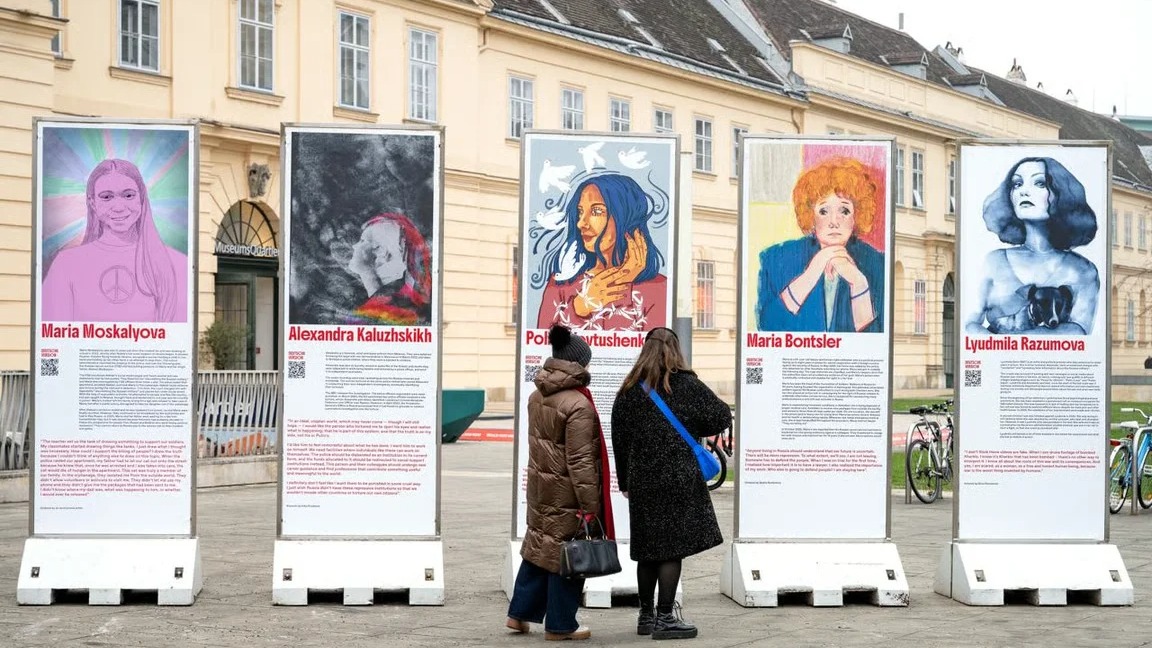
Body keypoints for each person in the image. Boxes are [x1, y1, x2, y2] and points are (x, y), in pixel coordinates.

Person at [610, 327, 730, 640]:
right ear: (674, 351)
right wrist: (694, 424)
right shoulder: (686, 384)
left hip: (643, 482)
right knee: (671, 550)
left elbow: (619, 443)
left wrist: (625, 481)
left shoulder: (628, 391)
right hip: (679, 479)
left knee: (648, 549)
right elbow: (720, 417)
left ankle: (646, 616)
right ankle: (666, 618)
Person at [506, 324, 614, 641]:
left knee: (539, 545)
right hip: (566, 490)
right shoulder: (577, 404)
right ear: (578, 364)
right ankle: (561, 624)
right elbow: (580, 460)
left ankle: (519, 615)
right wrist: (591, 506)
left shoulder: (538, 395)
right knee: (568, 556)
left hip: (542, 486)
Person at [965, 157, 1099, 335]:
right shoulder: (993, 262)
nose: (1023, 191)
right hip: (999, 363)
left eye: (1040, 183)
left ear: (1062, 194)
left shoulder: (1083, 270)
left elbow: (1078, 331)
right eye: (1017, 184)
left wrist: (1008, 342)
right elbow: (969, 324)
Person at [41, 158, 187, 323]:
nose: (118, 207)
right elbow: (54, 336)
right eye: (107, 197)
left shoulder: (177, 264)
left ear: (142, 198)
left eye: (128, 195)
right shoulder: (66, 265)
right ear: (93, 203)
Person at [755, 157, 885, 333]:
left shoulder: (877, 265)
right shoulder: (776, 259)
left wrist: (859, 285)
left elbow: (876, 347)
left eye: (844, 211)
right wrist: (811, 274)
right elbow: (766, 327)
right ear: (810, 215)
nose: (834, 222)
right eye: (824, 211)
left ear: (857, 215)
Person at [535, 172, 667, 331]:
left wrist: (623, 284)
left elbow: (656, 352)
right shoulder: (560, 284)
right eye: (580, 212)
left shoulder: (658, 288)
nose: (581, 223)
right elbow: (542, 347)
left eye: (597, 212)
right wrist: (579, 307)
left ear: (625, 217)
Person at [341, 212, 432, 326]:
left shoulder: (367, 317)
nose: (355, 246)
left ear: (381, 252)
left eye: (362, 241)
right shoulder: (401, 299)